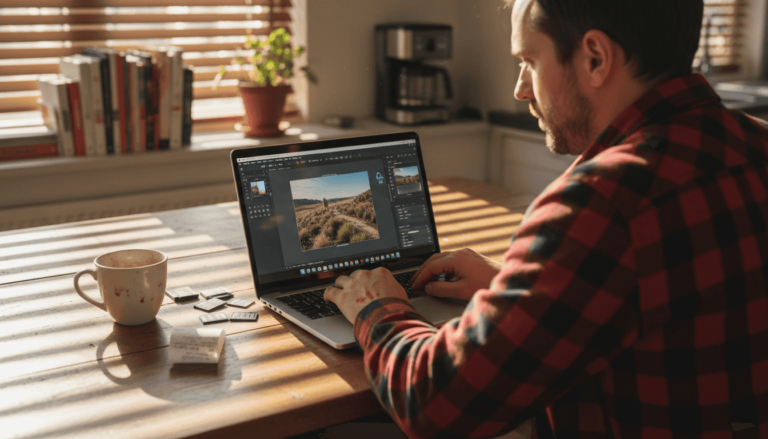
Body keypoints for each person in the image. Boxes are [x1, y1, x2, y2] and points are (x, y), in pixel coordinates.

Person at [325, 0, 768, 436]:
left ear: (594, 58)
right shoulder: (755, 144)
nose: (521, 89)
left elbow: (435, 405)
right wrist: (518, 289)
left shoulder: (600, 206)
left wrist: (377, 307)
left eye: (529, 61)